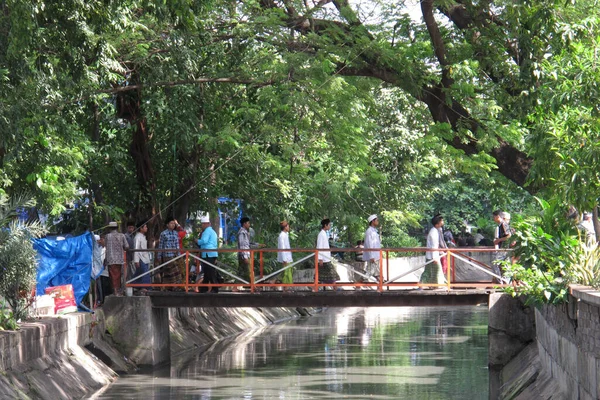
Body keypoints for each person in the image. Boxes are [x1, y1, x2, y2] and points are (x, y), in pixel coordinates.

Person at [419, 214, 446, 287]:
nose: (443, 222)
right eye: (442, 220)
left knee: (431, 271)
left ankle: (434, 285)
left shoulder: (435, 230)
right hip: (432, 256)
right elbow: (434, 245)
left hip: (431, 256)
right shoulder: (434, 231)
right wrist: (435, 257)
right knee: (434, 271)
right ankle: (425, 284)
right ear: (438, 223)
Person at [236, 217, 263, 290]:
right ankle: (253, 286)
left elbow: (248, 244)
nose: (249, 224)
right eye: (248, 223)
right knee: (250, 271)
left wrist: (257, 245)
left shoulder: (245, 232)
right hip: (244, 255)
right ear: (244, 224)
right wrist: (245, 256)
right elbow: (242, 245)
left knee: (241, 271)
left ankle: (236, 287)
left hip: (245, 254)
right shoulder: (242, 233)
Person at [104, 221, 129, 296]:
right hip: (120, 259)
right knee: (118, 275)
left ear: (110, 228)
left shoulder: (107, 236)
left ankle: (115, 290)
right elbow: (127, 246)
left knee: (112, 276)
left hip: (110, 258)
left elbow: (106, 247)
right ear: (117, 228)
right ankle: (118, 290)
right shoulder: (122, 235)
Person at [157, 218, 183, 290]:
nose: (173, 225)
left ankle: (167, 286)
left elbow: (177, 244)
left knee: (170, 271)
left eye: (174, 224)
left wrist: (179, 255)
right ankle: (174, 286)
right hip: (167, 255)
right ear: (167, 225)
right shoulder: (163, 234)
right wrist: (159, 255)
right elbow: (161, 245)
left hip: (175, 255)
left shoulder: (175, 233)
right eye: (171, 223)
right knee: (172, 270)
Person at [197, 215, 220, 293]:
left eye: (202, 224)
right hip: (212, 253)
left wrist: (197, 241)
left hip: (207, 254)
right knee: (207, 271)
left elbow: (204, 241)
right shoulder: (213, 231)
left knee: (210, 272)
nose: (202, 226)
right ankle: (204, 288)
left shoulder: (206, 231)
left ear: (205, 224)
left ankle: (215, 287)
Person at [316, 218, 338, 286]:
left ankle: (333, 287)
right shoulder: (321, 234)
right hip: (323, 259)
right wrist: (320, 259)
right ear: (325, 225)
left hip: (325, 258)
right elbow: (319, 246)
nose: (330, 226)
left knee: (322, 275)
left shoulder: (324, 234)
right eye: (329, 225)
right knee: (331, 274)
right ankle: (334, 287)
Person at [492, 210, 511, 283]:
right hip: (504, 248)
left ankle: (500, 280)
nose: (493, 218)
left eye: (494, 217)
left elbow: (509, 236)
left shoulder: (504, 224)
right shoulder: (500, 225)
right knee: (505, 265)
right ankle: (506, 280)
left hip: (504, 248)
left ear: (498, 216)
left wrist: (499, 240)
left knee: (495, 263)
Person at [132, 223, 152, 292]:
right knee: (145, 273)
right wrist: (136, 261)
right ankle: (145, 287)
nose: (147, 228)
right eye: (145, 227)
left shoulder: (143, 236)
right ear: (141, 228)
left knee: (139, 273)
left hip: (145, 258)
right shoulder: (137, 237)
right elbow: (136, 249)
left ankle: (133, 284)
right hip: (141, 258)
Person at [364, 214, 382, 284]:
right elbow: (369, 244)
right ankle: (362, 281)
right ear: (373, 221)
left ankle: (380, 284)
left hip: (376, 255)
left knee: (376, 271)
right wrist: (371, 256)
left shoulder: (374, 231)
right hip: (373, 255)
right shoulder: (369, 231)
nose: (378, 221)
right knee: (370, 271)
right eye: (376, 220)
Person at [277, 221, 293, 291]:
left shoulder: (285, 235)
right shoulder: (282, 236)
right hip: (285, 258)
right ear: (285, 227)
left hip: (288, 257)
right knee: (286, 273)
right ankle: (285, 288)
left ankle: (284, 287)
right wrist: (284, 259)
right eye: (288, 226)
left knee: (286, 272)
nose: (289, 227)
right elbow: (282, 248)